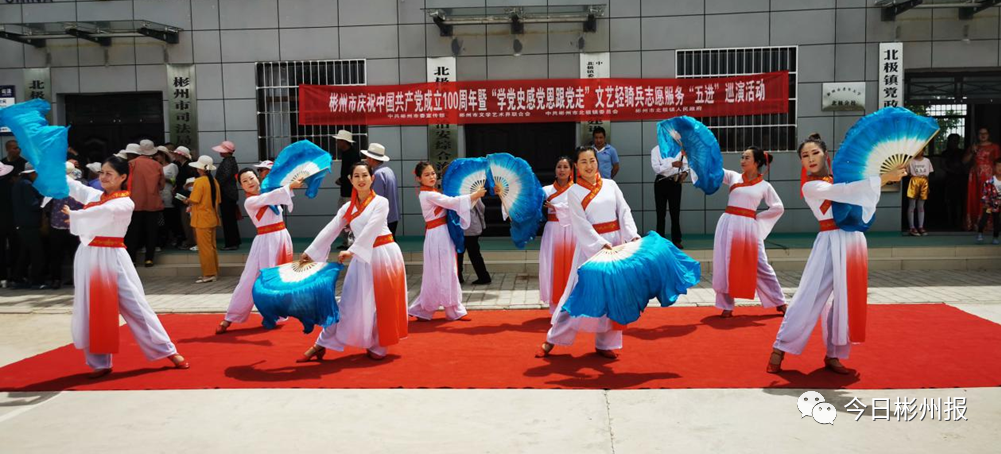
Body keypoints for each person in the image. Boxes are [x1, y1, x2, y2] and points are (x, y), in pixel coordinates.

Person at [767, 133, 907, 375]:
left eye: (815, 153)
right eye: (804, 156)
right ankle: (780, 347)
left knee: (845, 301)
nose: (810, 159)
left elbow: (863, 197)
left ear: (826, 156)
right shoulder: (811, 186)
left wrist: (883, 178)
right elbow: (846, 192)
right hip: (829, 241)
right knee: (808, 296)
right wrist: (884, 178)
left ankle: (834, 355)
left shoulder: (841, 179)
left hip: (853, 242)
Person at [61, 156, 188, 378]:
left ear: (123, 177)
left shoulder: (124, 202)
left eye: (109, 173)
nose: (103, 177)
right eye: (101, 172)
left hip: (112, 256)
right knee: (91, 308)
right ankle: (99, 362)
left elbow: (103, 213)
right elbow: (73, 186)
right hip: (88, 256)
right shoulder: (94, 195)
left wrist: (76, 216)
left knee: (135, 305)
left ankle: (167, 350)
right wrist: (51, 167)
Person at [297, 162, 409, 362]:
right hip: (360, 256)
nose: (361, 179)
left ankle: (378, 345)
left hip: (384, 255)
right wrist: (311, 252)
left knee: (381, 303)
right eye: (356, 176)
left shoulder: (381, 202)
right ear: (350, 180)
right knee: (347, 301)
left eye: (365, 175)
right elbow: (331, 228)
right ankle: (322, 343)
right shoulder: (347, 207)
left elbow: (372, 230)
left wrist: (351, 250)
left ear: (372, 178)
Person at [536, 147, 640, 359]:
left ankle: (606, 344)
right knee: (578, 293)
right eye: (583, 162)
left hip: (616, 244)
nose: (589, 166)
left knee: (613, 294)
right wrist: (599, 244)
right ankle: (553, 337)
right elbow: (580, 224)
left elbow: (624, 211)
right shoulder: (574, 192)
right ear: (577, 166)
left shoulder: (610, 185)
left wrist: (632, 235)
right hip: (591, 248)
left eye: (592, 160)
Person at [216, 169, 302, 334]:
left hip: (281, 238)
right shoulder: (251, 201)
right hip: (265, 241)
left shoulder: (269, 193)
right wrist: (290, 185)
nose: (250, 182)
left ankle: (274, 314)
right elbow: (272, 197)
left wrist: (293, 181)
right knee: (251, 279)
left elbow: (278, 195)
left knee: (279, 278)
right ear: (242, 186)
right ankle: (230, 317)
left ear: (257, 178)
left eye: (251, 178)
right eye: (245, 181)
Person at [712, 147, 786, 318]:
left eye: (747, 158)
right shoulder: (733, 177)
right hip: (728, 222)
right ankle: (727, 305)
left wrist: (758, 219)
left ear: (757, 162)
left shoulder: (765, 186)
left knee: (761, 264)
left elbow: (778, 207)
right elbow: (713, 168)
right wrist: (694, 154)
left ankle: (779, 301)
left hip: (748, 227)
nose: (742, 161)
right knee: (725, 262)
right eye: (742, 157)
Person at [408, 162, 486, 321]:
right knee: (442, 271)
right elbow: (452, 202)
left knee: (445, 270)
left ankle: (440, 309)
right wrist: (473, 195)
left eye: (432, 173)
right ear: (418, 178)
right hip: (437, 235)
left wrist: (473, 195)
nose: (431, 177)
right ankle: (426, 308)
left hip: (440, 234)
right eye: (427, 175)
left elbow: (453, 202)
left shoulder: (431, 192)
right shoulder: (428, 194)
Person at [538, 156, 576, 313]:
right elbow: (528, 200)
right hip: (553, 229)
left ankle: (572, 305)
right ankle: (555, 305)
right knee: (553, 266)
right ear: (555, 170)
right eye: (559, 167)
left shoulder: (577, 189)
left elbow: (577, 209)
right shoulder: (546, 190)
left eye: (565, 167)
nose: (562, 170)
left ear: (571, 170)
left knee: (571, 266)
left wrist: (556, 206)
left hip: (572, 231)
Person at [125, 140, 165, 267]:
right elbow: (162, 185)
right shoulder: (157, 165)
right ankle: (149, 259)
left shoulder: (131, 164)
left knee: (133, 232)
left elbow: (125, 182)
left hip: (134, 203)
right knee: (151, 232)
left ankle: (132, 258)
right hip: (152, 203)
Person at [183, 156, 221, 284]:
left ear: (200, 168)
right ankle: (214, 272)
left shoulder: (199, 181)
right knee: (211, 247)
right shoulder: (214, 181)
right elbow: (218, 200)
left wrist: (186, 200)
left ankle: (209, 273)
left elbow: (194, 199)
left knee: (205, 248)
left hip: (202, 219)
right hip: (212, 217)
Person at [46, 162, 84, 290]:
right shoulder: (79, 186)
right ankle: (77, 280)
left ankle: (56, 280)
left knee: (56, 254)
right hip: (75, 224)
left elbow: (47, 205)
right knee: (76, 254)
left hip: (57, 224)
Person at [11, 163, 47, 290]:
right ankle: (37, 281)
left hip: (22, 224)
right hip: (29, 224)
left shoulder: (20, 183)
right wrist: (44, 198)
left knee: (25, 253)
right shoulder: (27, 185)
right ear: (32, 173)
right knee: (38, 254)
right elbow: (33, 204)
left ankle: (18, 279)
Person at [650, 144, 688, 248]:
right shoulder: (656, 149)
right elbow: (656, 168)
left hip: (675, 182)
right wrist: (671, 164)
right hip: (661, 182)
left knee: (675, 212)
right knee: (660, 213)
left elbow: (685, 165)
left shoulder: (679, 149)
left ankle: (676, 240)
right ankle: (660, 239)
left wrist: (685, 173)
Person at [963, 127, 1001, 231]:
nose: (983, 135)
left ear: (989, 134)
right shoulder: (974, 147)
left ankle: (987, 223)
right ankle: (974, 223)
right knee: (974, 198)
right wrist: (972, 152)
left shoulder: (994, 147)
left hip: (988, 175)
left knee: (987, 198)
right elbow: (964, 162)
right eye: (980, 133)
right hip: (975, 176)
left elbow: (998, 163)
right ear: (977, 135)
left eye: (985, 133)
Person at [361, 143, 400, 236]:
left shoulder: (378, 174)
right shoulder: (388, 170)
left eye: (367, 157)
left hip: (384, 217)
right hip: (393, 215)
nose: (366, 160)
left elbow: (376, 199)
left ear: (371, 158)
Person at [333, 130, 360, 249]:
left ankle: (351, 242)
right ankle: (347, 242)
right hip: (345, 191)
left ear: (344, 142)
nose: (337, 143)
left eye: (339, 140)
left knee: (350, 218)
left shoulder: (352, 155)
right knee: (344, 217)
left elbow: (352, 173)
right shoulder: (347, 153)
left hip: (350, 193)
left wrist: (341, 180)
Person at [212, 140, 241, 251]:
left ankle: (231, 243)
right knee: (230, 219)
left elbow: (223, 178)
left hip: (227, 194)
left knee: (228, 220)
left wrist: (214, 184)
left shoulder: (228, 162)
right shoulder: (230, 161)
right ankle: (234, 242)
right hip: (230, 194)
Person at [457, 198, 491, 285]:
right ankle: (483, 276)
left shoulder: (453, 190)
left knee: (460, 253)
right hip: (470, 225)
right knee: (472, 253)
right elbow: (481, 208)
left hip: (463, 226)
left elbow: (481, 207)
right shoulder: (470, 189)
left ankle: (458, 277)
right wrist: (482, 223)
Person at [155, 147, 182, 248]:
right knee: (161, 220)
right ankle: (164, 240)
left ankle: (176, 238)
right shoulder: (155, 166)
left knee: (171, 218)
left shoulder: (172, 166)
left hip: (168, 194)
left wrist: (164, 179)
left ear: (163, 155)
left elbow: (176, 181)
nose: (156, 157)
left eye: (158, 155)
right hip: (158, 195)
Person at [171, 147, 197, 249]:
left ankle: (191, 241)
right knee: (185, 220)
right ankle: (190, 240)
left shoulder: (188, 166)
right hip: (183, 196)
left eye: (176, 154)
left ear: (181, 155)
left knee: (187, 220)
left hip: (187, 197)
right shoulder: (182, 165)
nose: (174, 156)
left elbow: (191, 183)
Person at [941, 133, 967, 228]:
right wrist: (952, 171)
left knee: (960, 201)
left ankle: (959, 221)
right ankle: (949, 221)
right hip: (950, 179)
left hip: (961, 178)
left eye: (956, 140)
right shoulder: (945, 153)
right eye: (952, 140)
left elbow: (966, 164)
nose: (954, 142)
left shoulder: (962, 152)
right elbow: (942, 165)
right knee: (949, 201)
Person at [906, 148, 934, 236]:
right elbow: (907, 173)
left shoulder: (927, 161)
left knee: (921, 205)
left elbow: (929, 174)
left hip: (924, 181)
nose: (918, 151)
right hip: (914, 181)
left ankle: (921, 226)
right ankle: (912, 227)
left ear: (923, 150)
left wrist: (928, 186)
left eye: (920, 149)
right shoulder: (910, 161)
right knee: (912, 205)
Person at [975, 159, 1001, 245]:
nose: (1000, 168)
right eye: (998, 166)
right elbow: (985, 193)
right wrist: (986, 202)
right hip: (990, 205)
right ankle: (980, 233)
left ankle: (996, 237)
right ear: (994, 167)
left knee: (997, 221)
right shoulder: (989, 181)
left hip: (999, 206)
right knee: (984, 218)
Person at [0, 162, 16, 288]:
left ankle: (2, 278)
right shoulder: (11, 186)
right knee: (15, 248)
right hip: (11, 221)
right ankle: (15, 276)